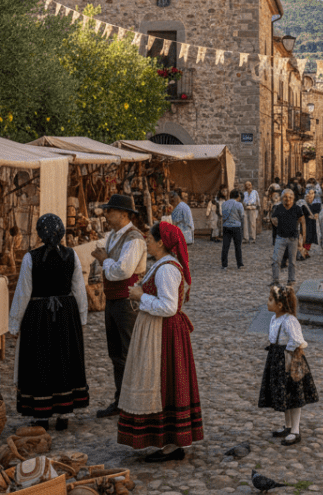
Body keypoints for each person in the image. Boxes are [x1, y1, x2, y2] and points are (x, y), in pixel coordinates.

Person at [117, 221, 203, 461]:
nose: (147, 241)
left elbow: (168, 307)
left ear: (161, 242)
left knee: (164, 383)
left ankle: (171, 443)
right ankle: (167, 440)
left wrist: (141, 295)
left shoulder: (167, 269)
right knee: (162, 383)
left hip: (164, 334)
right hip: (158, 330)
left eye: (150, 238)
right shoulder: (162, 265)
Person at [9, 214, 89, 430]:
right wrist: (81, 318)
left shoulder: (30, 258)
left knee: (41, 361)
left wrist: (14, 324)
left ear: (40, 233)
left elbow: (23, 293)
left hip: (38, 316)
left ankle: (42, 415)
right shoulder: (72, 255)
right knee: (64, 360)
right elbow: (79, 289)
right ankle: (64, 413)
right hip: (66, 315)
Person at [90, 194, 145, 419]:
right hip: (114, 300)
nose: (106, 215)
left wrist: (104, 260)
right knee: (116, 353)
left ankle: (134, 401)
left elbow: (123, 271)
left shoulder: (134, 239)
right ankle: (121, 399)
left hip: (127, 301)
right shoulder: (113, 236)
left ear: (123, 214)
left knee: (127, 352)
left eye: (109, 211)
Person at [259, 284, 318, 446]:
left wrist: (287, 350)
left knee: (294, 394)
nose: (267, 302)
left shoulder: (289, 320)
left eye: (270, 300)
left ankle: (295, 431)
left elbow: (297, 339)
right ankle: (288, 426)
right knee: (284, 393)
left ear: (280, 305)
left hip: (289, 360)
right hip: (276, 358)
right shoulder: (275, 318)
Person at [270, 189, 307, 286]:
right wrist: (279, 225)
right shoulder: (279, 208)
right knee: (276, 260)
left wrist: (303, 236)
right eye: (285, 197)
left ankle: (291, 280)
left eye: (290, 197)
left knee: (292, 261)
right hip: (280, 237)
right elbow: (273, 218)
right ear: (282, 198)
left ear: (293, 198)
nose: (288, 199)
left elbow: (302, 221)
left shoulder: (297, 208)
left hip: (293, 238)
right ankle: (275, 280)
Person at [220, 189, 246, 270]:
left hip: (226, 226)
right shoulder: (239, 204)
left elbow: (223, 215)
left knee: (225, 246)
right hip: (236, 226)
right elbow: (242, 216)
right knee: (238, 247)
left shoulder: (224, 204)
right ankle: (239, 264)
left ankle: (224, 265)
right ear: (238, 195)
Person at [303, 188, 320, 259]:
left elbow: (317, 212)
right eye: (310, 193)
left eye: (313, 193)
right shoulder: (304, 202)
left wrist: (316, 214)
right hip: (305, 222)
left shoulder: (316, 203)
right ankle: (303, 251)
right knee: (305, 236)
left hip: (312, 222)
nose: (311, 195)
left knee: (310, 237)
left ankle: (306, 251)